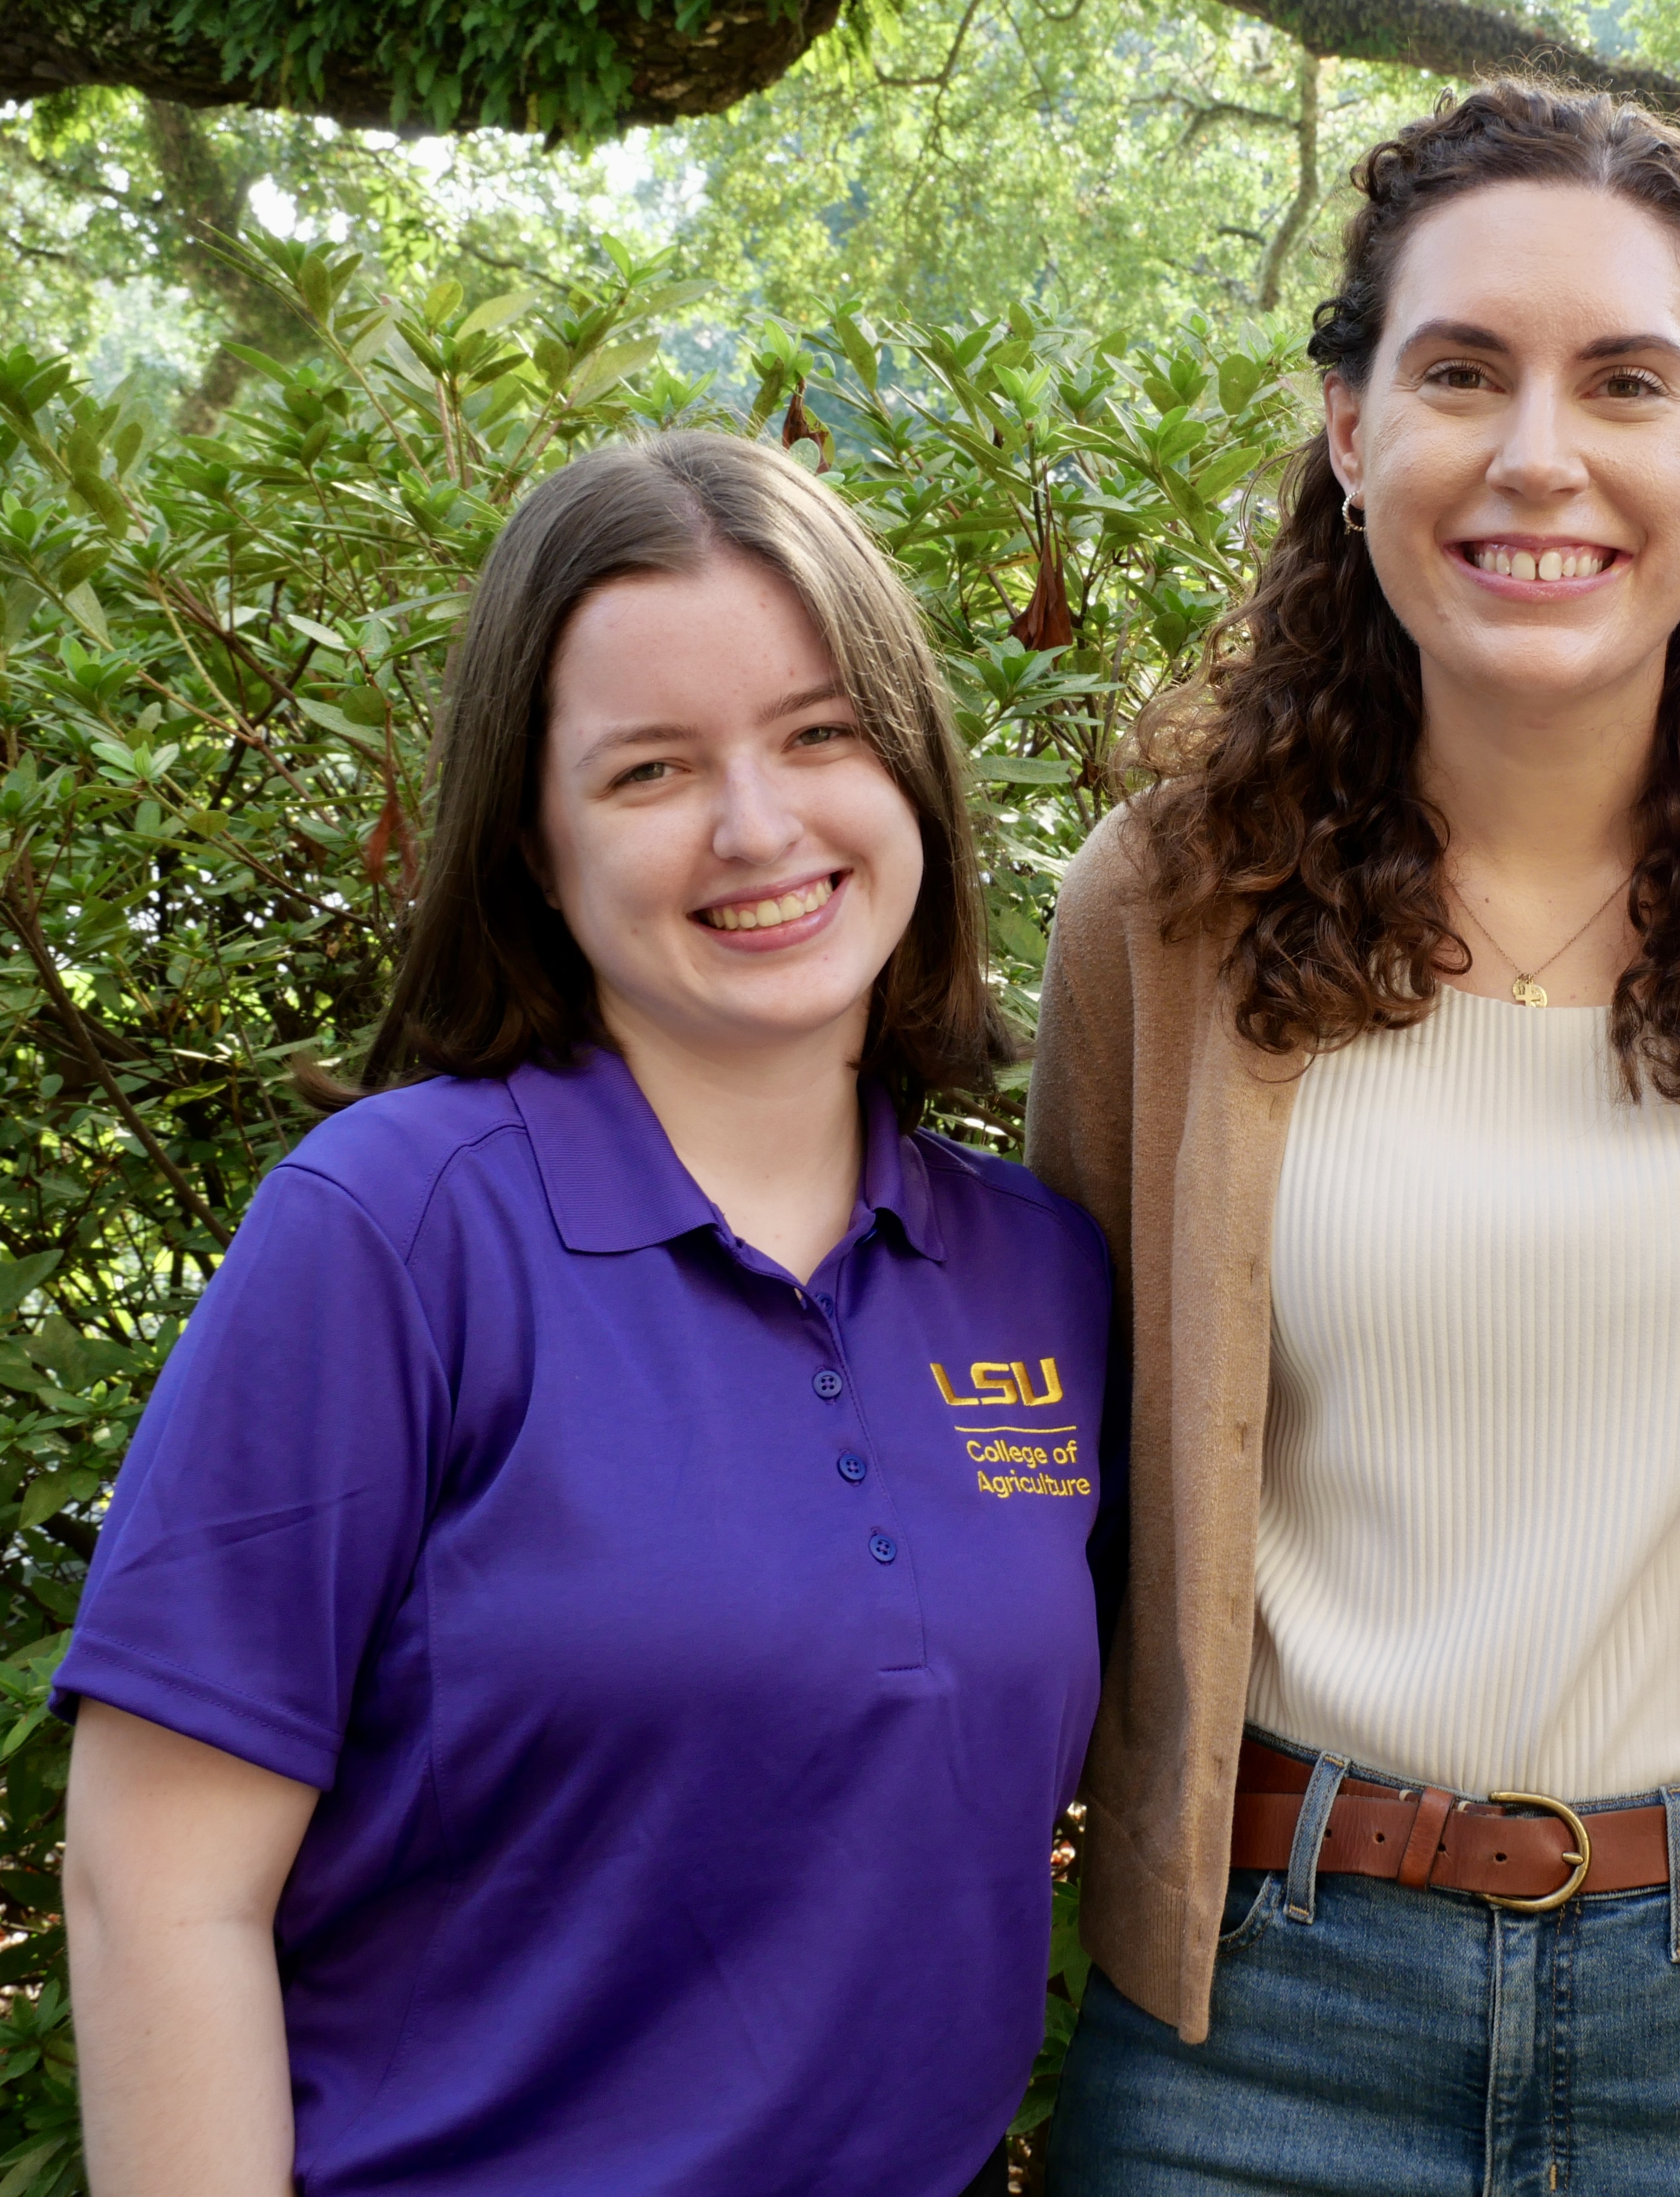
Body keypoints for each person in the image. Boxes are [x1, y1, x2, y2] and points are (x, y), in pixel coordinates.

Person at [1024, 79, 1680, 2197]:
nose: (1536, 456)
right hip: (1257, 2017)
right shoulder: (1168, 905)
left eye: (1625, 382)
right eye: (1460, 372)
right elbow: (1081, 1454)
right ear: (1349, 426)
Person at [56, 431, 1115, 2197]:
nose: (757, 825)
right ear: (536, 844)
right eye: (648, 770)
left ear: (910, 772)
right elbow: (157, 1885)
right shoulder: (388, 1232)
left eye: (818, 734)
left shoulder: (1039, 1270)